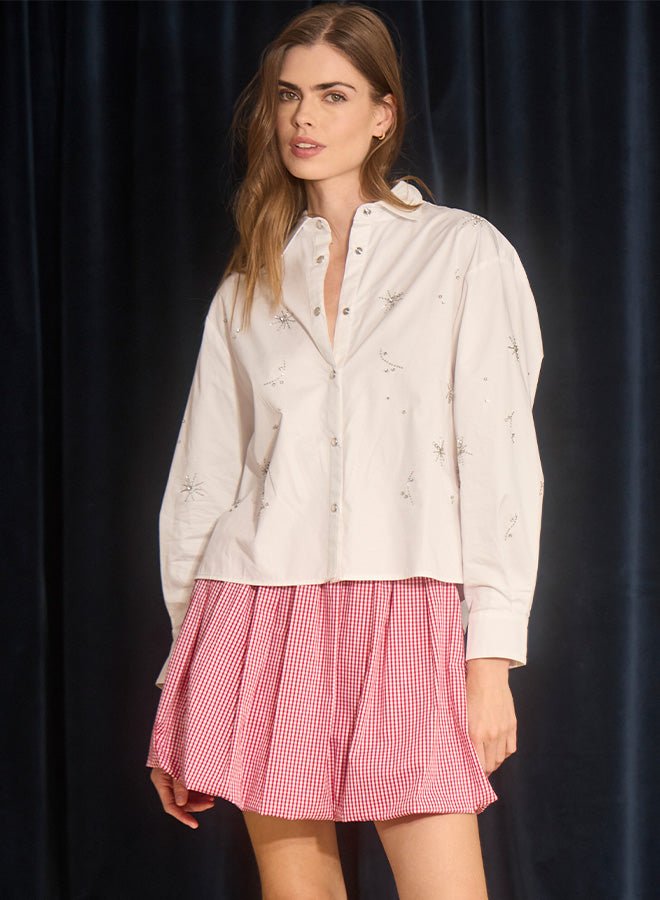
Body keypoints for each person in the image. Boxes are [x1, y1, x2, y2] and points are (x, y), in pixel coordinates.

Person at [145, 3, 544, 898]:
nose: (304, 117)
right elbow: (203, 482)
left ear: (383, 113)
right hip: (258, 611)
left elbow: (501, 463)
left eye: (333, 94)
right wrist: (184, 678)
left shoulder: (462, 254)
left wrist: (490, 660)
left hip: (408, 603)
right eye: (289, 95)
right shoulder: (249, 285)